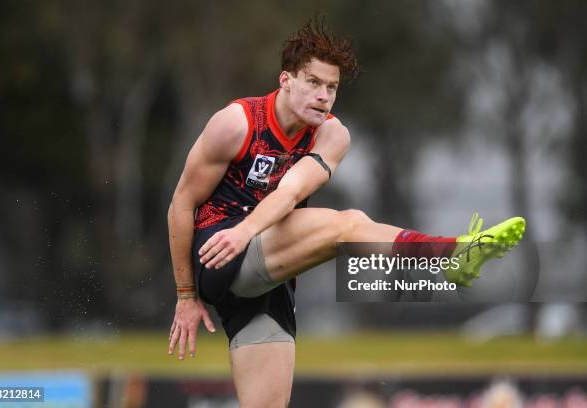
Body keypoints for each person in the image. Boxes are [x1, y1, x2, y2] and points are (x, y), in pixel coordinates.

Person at [167, 17, 525, 407]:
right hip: (220, 252)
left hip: (269, 276)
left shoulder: (332, 134)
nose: (324, 95)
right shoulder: (235, 123)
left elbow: (290, 192)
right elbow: (181, 205)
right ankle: (451, 253)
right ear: (286, 80)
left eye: (332, 87)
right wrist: (186, 295)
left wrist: (251, 230)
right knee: (349, 224)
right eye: (314, 82)